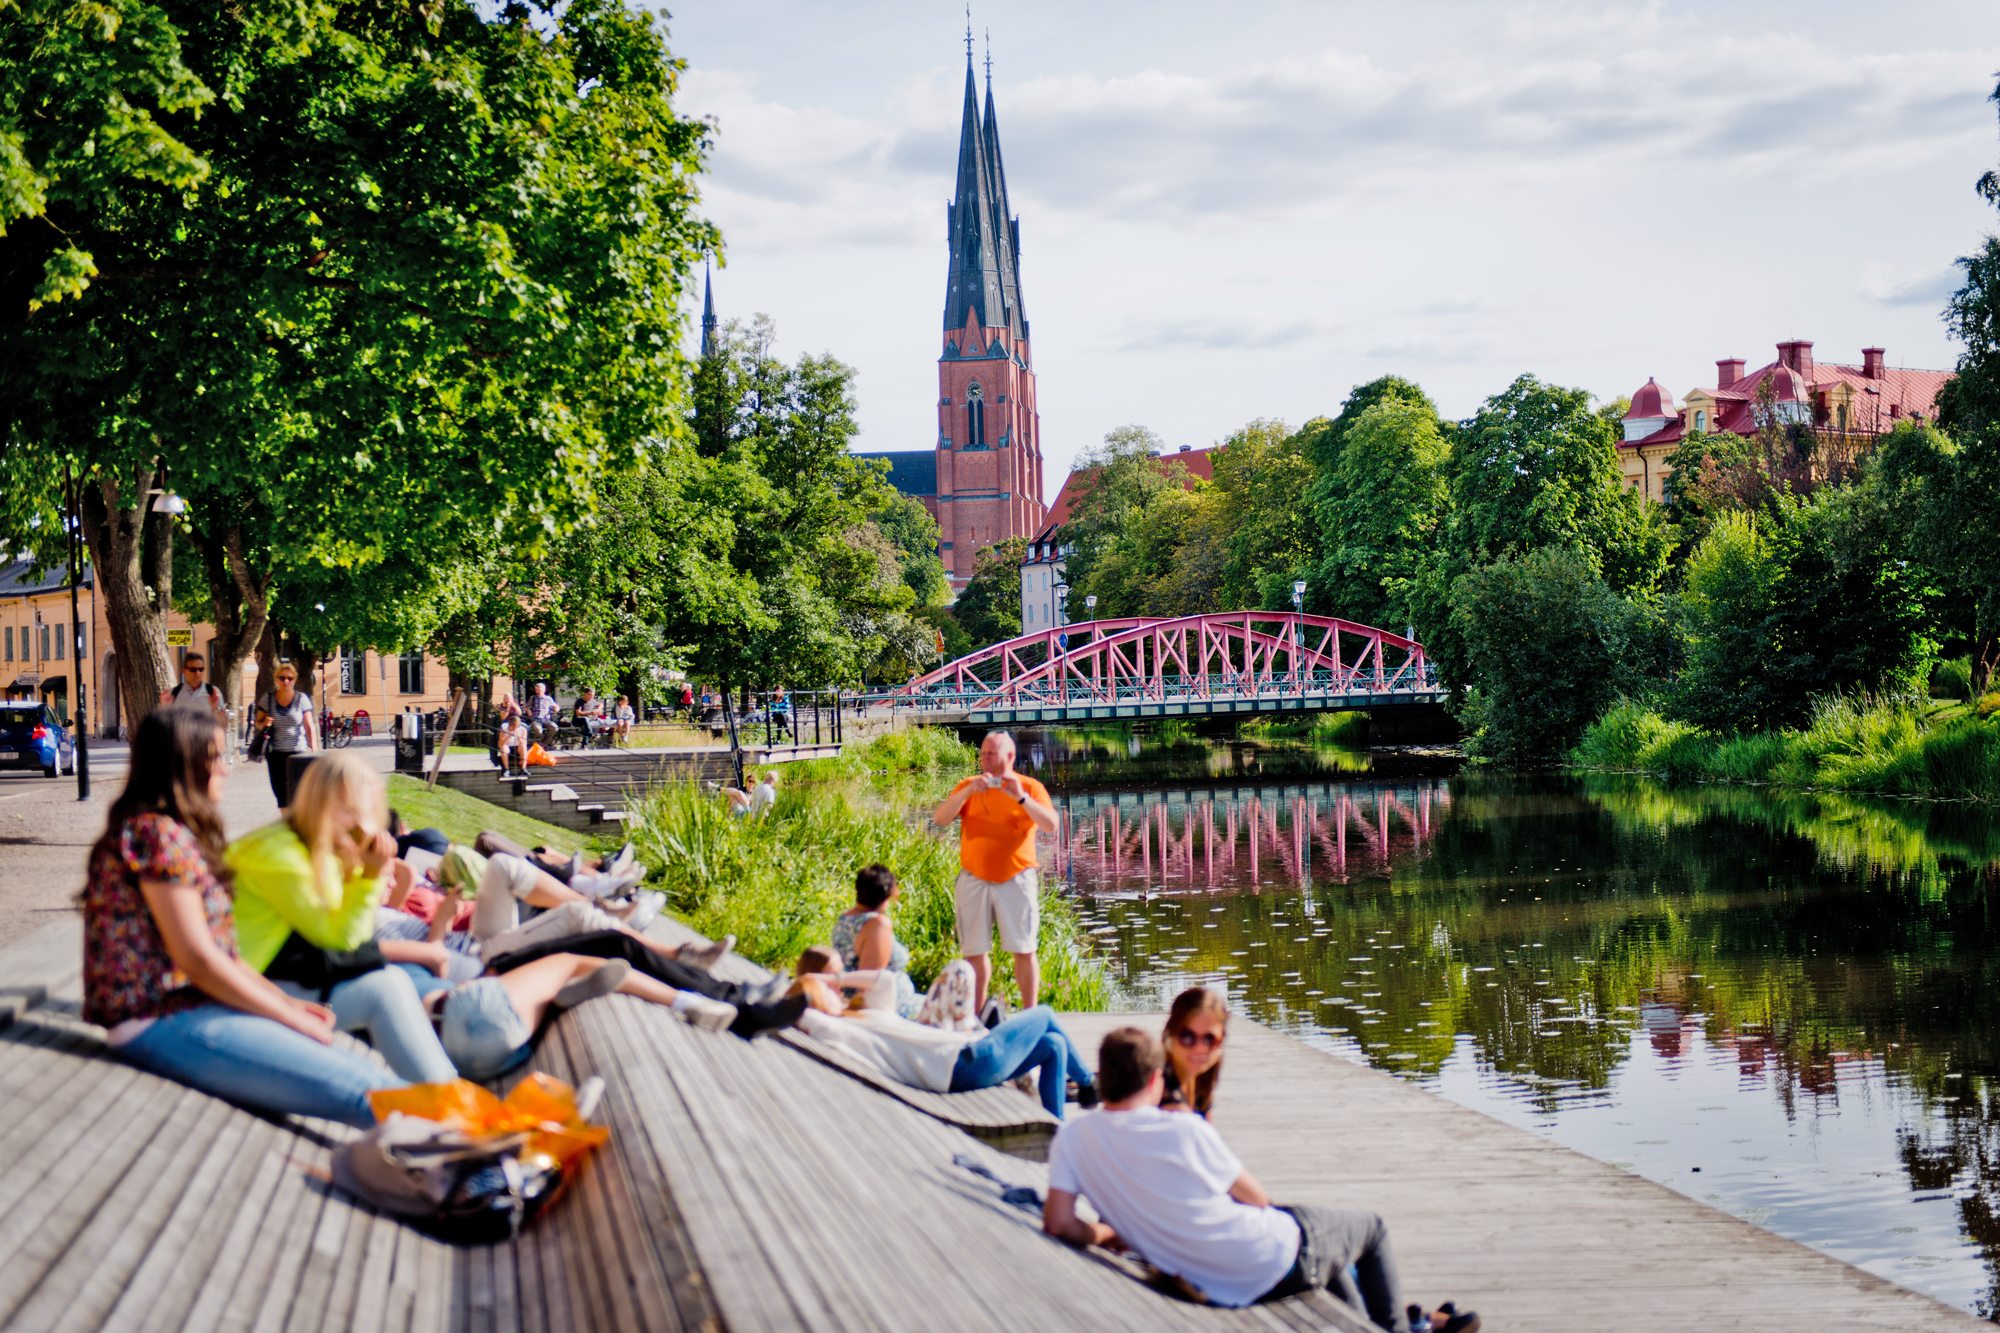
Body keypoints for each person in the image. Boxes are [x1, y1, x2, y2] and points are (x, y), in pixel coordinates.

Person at [82, 708, 404, 1129]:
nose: (227, 769)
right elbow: (197, 958)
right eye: (218, 757)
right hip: (158, 1020)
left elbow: (220, 954)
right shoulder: (153, 834)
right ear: (188, 763)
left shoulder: (173, 833)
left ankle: (475, 1152)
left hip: (191, 1011)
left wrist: (287, 1004)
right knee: (374, 1096)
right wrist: (288, 1017)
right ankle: (478, 1170)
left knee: (378, 1086)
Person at [1043, 1028, 1478, 1331]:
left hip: (1216, 1284)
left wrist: (1107, 1230)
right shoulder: (1182, 1129)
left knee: (1325, 1250)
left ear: (1104, 1078)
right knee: (1369, 1229)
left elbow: (1059, 1223)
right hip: (1270, 1260)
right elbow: (1256, 1198)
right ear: (1156, 1081)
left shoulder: (1073, 1138)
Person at [226, 751, 461, 1084]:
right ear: (324, 806)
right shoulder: (281, 855)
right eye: (352, 812)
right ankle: (446, 1098)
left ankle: (444, 1093)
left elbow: (353, 934)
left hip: (260, 978)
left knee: (391, 982)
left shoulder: (313, 845)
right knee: (386, 989)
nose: (364, 825)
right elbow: (341, 939)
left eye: (366, 813)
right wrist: (369, 876)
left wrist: (356, 870)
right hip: (238, 990)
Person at [796, 992, 1095, 1121]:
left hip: (968, 1059)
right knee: (1044, 1013)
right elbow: (807, 1016)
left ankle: (1057, 1130)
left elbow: (885, 984)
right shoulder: (841, 1029)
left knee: (1054, 1043)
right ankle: (1090, 1084)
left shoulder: (864, 1016)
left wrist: (839, 978)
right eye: (829, 986)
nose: (837, 986)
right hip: (966, 1061)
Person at [931, 731, 1057, 1016]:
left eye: (992, 754)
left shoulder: (1030, 787)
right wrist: (966, 792)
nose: (985, 759)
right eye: (983, 753)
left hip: (1017, 876)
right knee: (974, 951)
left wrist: (1021, 798)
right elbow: (940, 818)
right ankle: (974, 1017)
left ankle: (1030, 1015)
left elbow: (1050, 824)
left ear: (1010, 756)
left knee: (1024, 949)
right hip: (973, 876)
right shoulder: (968, 785)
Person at [830, 864, 920, 1020]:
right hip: (892, 1010)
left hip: (875, 1003)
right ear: (888, 896)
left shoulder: (847, 917)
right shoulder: (877, 926)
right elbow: (870, 982)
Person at [254, 663, 317, 811]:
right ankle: (288, 825)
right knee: (281, 795)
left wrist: (314, 750)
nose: (286, 681)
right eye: (282, 678)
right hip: (276, 754)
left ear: (294, 679)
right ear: (276, 679)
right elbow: (258, 722)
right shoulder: (268, 699)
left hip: (298, 753)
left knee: (299, 793)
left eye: (290, 678)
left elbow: (309, 726)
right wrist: (264, 723)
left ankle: (299, 824)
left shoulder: (302, 699)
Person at [1162, 986, 1229, 1118]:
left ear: (1221, 1040)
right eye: (1187, 1037)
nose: (1199, 1048)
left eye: (1209, 1039)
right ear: (1170, 1035)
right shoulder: (1164, 1098)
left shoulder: (1202, 1079)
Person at [160, 652, 229, 731]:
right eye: (193, 670)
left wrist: (215, 709)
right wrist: (165, 709)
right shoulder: (173, 694)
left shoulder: (213, 692)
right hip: (182, 742)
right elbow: (165, 727)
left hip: (205, 741)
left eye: (201, 669)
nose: (198, 673)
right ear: (183, 671)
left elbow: (224, 725)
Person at [496, 710, 529, 776]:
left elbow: (525, 743)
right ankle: (506, 769)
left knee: (523, 746)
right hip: (508, 748)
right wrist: (509, 735)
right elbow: (500, 744)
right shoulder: (504, 729)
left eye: (516, 727)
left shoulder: (522, 729)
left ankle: (523, 769)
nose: (514, 728)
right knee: (503, 747)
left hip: (518, 748)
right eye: (512, 727)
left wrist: (519, 736)